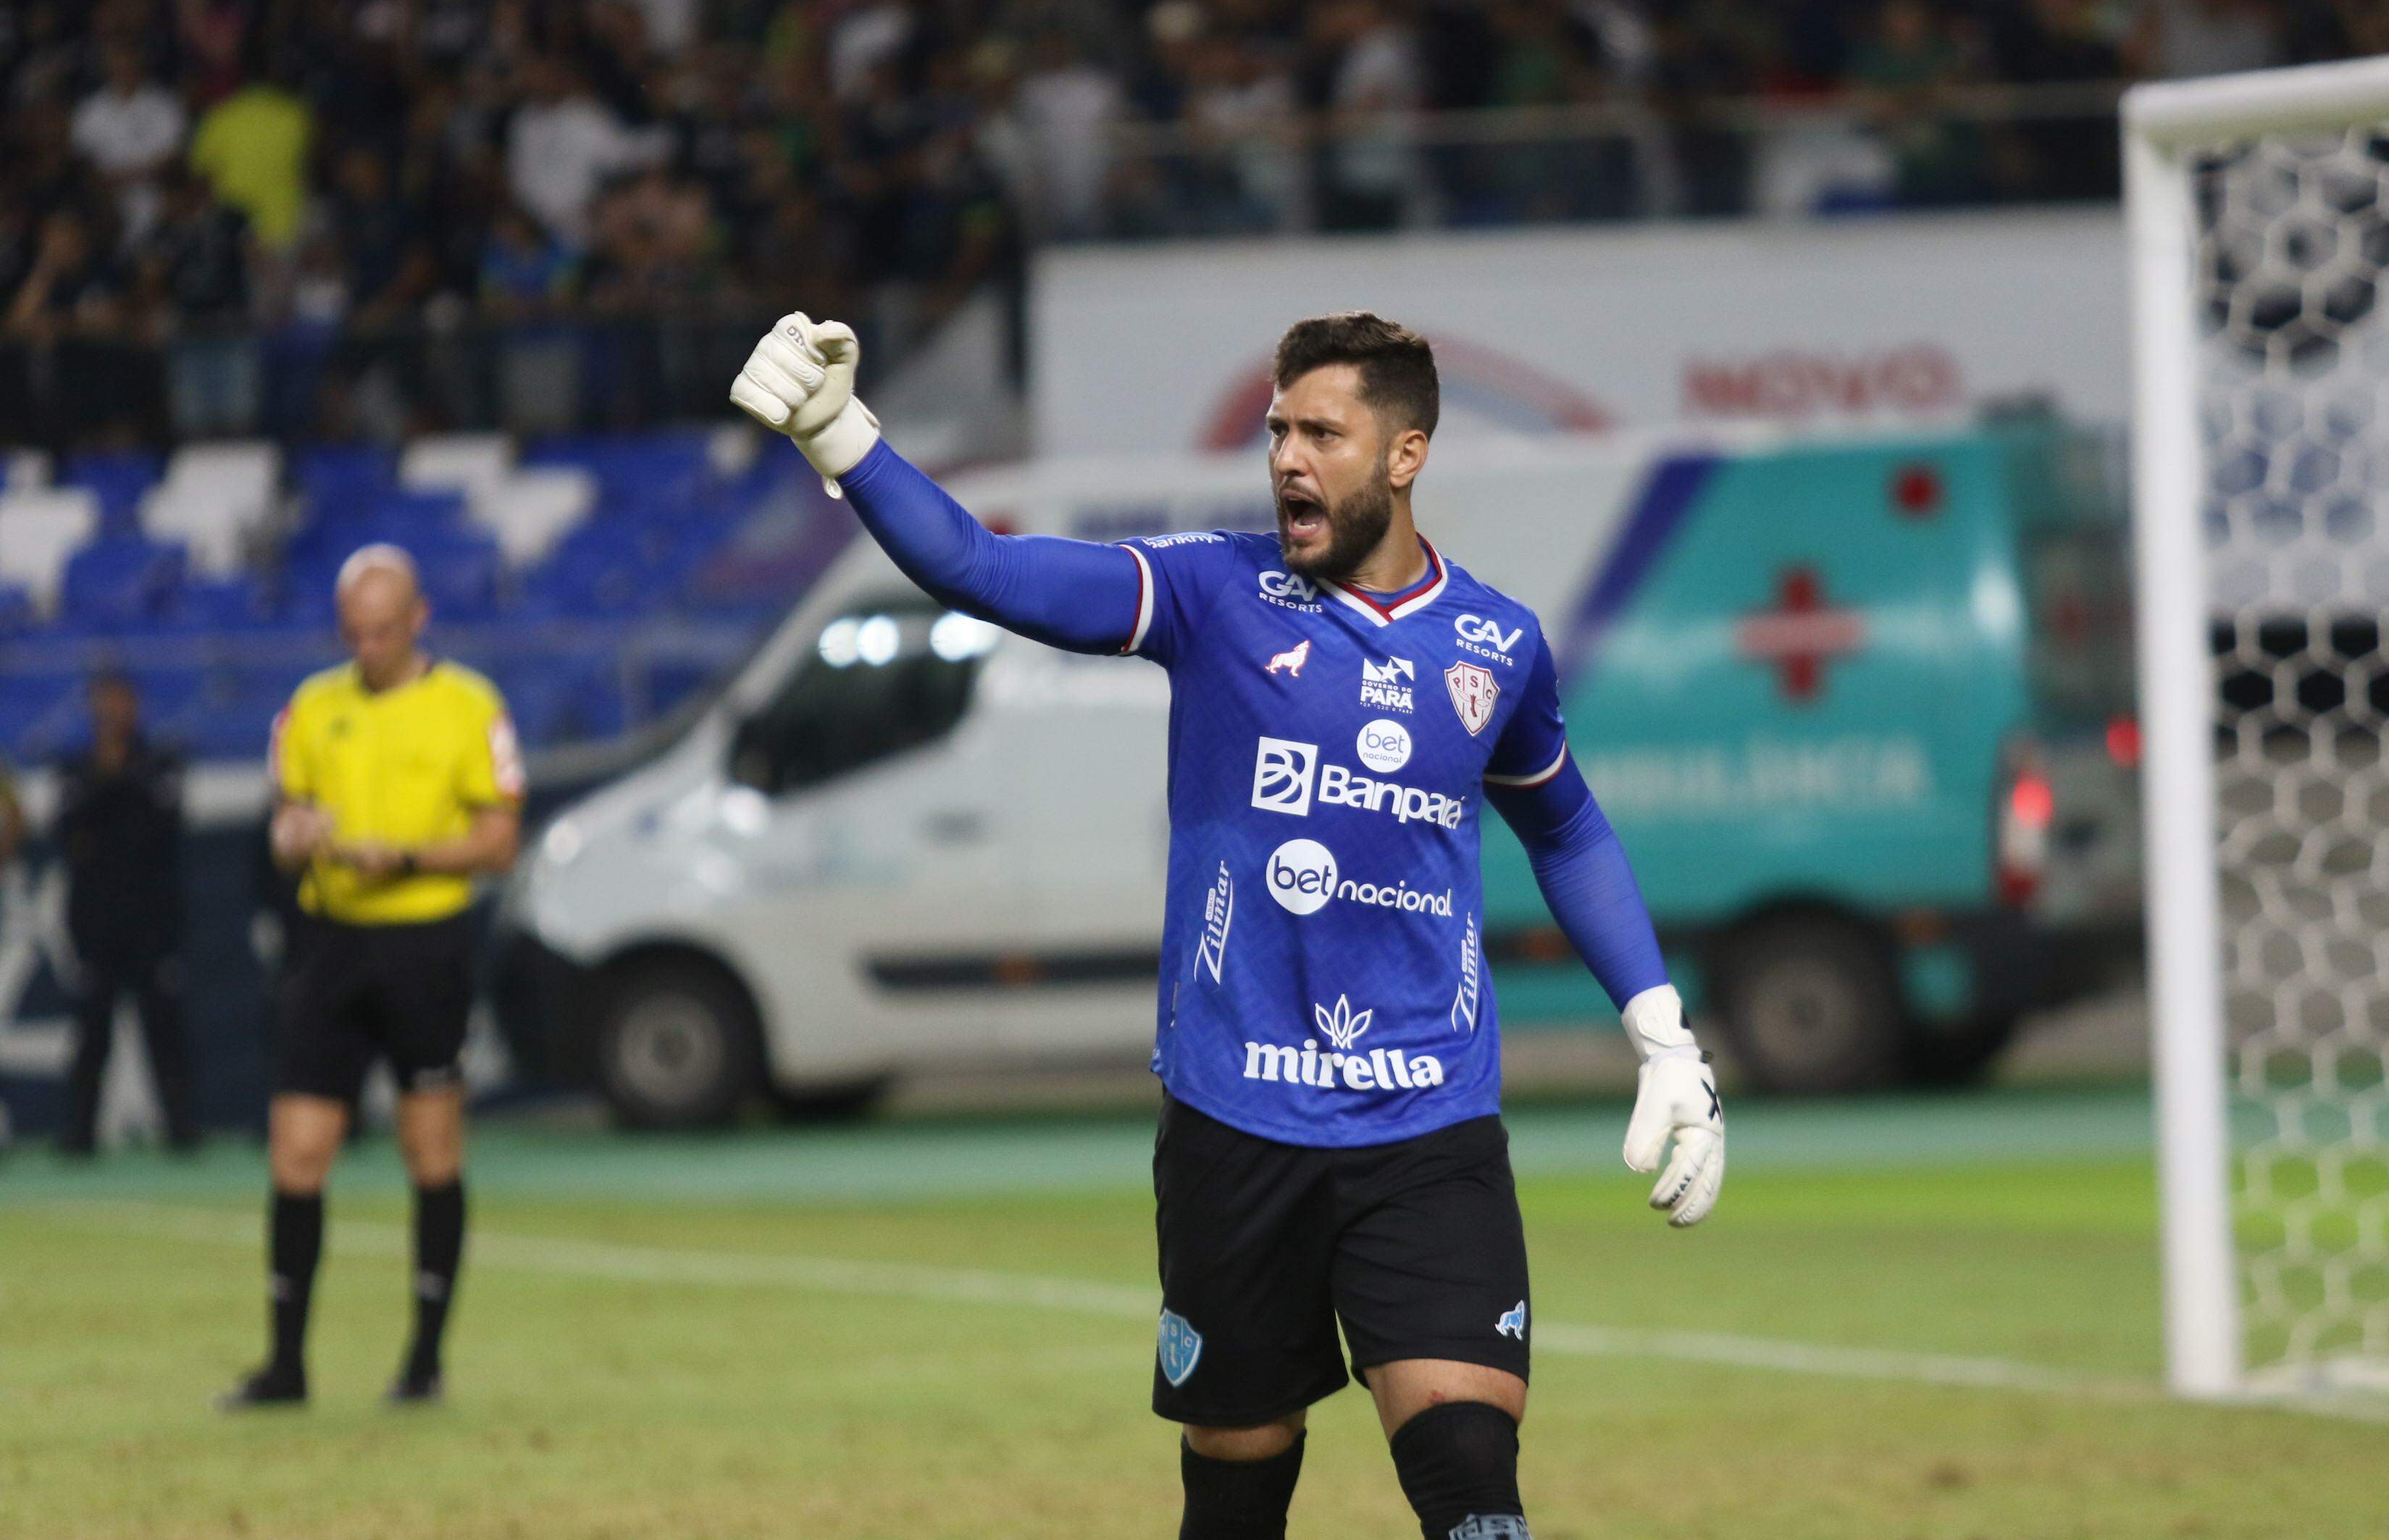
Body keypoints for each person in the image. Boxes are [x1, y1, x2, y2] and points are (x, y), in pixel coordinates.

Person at [730, 310, 1724, 1540]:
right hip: (1234, 1123)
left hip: (1428, 1122)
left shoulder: (1494, 644)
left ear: (1404, 454)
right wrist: (842, 435)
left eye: (1323, 432)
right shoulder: (1213, 591)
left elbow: (1565, 829)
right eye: (1276, 431)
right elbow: (985, 572)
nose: (1287, 459)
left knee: (1471, 1472)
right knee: (1239, 1484)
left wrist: (1661, 1034)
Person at [222, 545, 524, 1410]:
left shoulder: (469, 706)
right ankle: (286, 1365)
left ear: (419, 618)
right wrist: (297, 835)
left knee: (430, 1148)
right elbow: (284, 823)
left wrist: (405, 857)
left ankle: (424, 1360)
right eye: (357, 632)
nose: (371, 647)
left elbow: (499, 841)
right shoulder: (314, 708)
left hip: (425, 943)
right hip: (330, 946)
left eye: (385, 631)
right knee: (299, 1150)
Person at [56, 670, 197, 1157]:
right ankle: (80, 1133)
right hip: (96, 924)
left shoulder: (159, 761)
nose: (113, 712)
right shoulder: (76, 766)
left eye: (121, 702)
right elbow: (70, 830)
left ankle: (181, 1129)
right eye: (105, 703)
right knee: (92, 1034)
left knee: (165, 1030)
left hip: (151, 923)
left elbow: (161, 824)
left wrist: (114, 786)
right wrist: (109, 784)